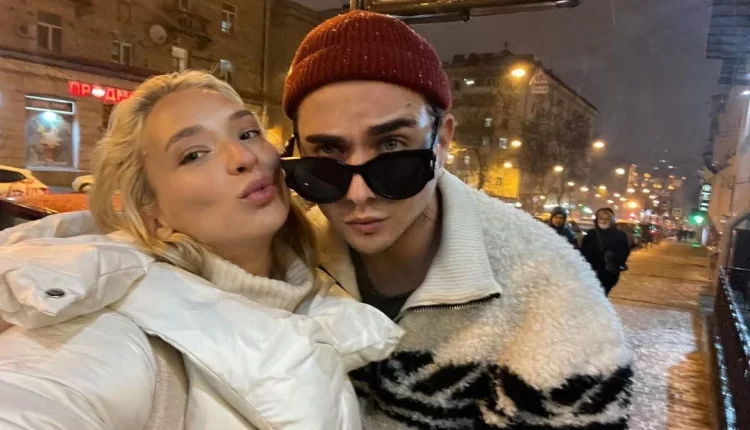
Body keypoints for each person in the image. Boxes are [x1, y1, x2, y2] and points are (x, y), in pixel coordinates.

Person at [280, 10, 633, 429]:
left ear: (442, 141)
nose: (358, 195)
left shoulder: (553, 298)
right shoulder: (287, 263)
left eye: (392, 146)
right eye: (327, 153)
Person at [0, 71, 403, 430]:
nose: (244, 157)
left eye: (247, 133)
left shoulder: (318, 285)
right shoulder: (114, 331)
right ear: (153, 212)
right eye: (194, 154)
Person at [581, 208, 632, 296]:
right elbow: (582, 252)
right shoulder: (590, 234)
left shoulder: (619, 235)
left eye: (606, 219)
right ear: (597, 220)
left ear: (611, 221)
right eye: (600, 218)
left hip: (608, 274)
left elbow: (624, 252)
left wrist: (613, 258)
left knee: (602, 295)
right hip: (591, 272)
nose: (603, 221)